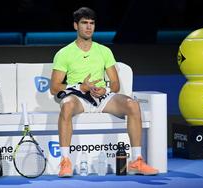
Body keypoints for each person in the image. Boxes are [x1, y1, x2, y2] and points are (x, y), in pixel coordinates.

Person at [50, 7, 159, 177]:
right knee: (66, 105)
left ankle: (137, 161)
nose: (88, 27)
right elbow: (55, 87)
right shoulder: (64, 53)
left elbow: (115, 84)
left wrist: (105, 89)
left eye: (92, 23)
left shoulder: (104, 51)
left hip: (103, 97)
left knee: (132, 104)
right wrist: (81, 87)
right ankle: (65, 162)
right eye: (84, 23)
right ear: (75, 26)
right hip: (79, 98)